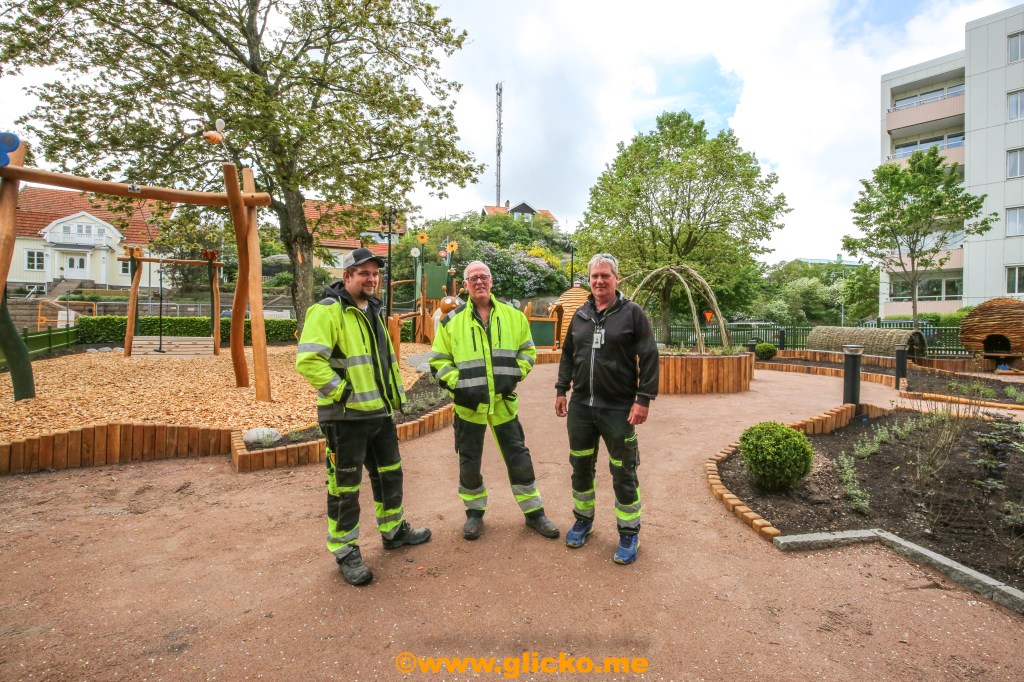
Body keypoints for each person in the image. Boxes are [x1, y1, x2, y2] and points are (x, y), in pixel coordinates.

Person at [296, 247, 431, 586]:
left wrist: (394, 399)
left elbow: (381, 362)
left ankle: (393, 530)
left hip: (379, 414)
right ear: (347, 277)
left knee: (389, 476)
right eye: (363, 273)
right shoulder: (327, 311)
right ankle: (344, 549)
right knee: (345, 487)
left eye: (375, 273)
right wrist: (343, 393)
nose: (371, 279)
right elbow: (309, 361)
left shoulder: (372, 310)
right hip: (345, 418)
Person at [429, 260, 560, 541]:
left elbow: (528, 351)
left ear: (491, 282)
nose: (479, 282)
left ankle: (534, 513)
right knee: (469, 461)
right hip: (468, 406)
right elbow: (439, 360)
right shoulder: (450, 322)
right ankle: (474, 513)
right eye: (473, 278)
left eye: (483, 277)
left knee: (518, 458)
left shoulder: (514, 316)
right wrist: (459, 385)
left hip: (503, 402)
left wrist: (515, 374)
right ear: (464, 286)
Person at [554, 253, 659, 565]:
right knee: (580, 466)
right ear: (589, 280)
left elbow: (650, 355)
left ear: (616, 278)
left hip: (618, 409)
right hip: (581, 408)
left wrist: (643, 399)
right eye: (594, 276)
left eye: (605, 275)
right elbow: (568, 355)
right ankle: (583, 521)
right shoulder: (581, 315)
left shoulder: (632, 313)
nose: (599, 281)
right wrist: (562, 389)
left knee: (623, 471)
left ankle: (629, 533)